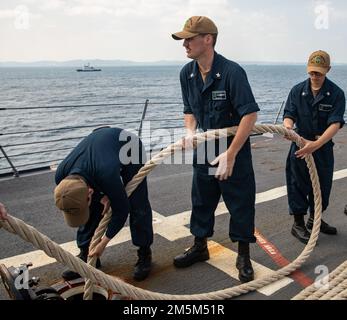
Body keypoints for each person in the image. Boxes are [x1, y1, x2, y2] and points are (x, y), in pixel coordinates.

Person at [171, 16, 259, 283]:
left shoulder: (232, 72)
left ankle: (243, 254)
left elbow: (250, 115)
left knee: (240, 202)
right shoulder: (186, 73)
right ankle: (200, 246)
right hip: (205, 148)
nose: (184, 43)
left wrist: (231, 155)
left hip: (234, 148)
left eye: (189, 38)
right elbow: (189, 110)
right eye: (183, 38)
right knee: (201, 200)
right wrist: (189, 132)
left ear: (207, 39)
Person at [54, 127, 153, 281]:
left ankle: (144, 252)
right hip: (103, 156)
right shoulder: (61, 176)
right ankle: (86, 252)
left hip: (129, 148)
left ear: (90, 192)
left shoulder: (104, 172)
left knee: (137, 202)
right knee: (92, 207)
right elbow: (83, 199)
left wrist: (104, 242)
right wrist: (104, 193)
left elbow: (122, 210)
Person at [283, 50, 346, 244]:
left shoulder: (336, 94)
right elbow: (289, 114)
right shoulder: (297, 90)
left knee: (322, 186)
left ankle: (314, 220)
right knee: (298, 184)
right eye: (312, 72)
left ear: (327, 70)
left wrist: (317, 144)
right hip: (300, 144)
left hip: (322, 147)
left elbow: (335, 123)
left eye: (318, 72)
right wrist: (288, 129)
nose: (314, 76)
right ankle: (298, 224)